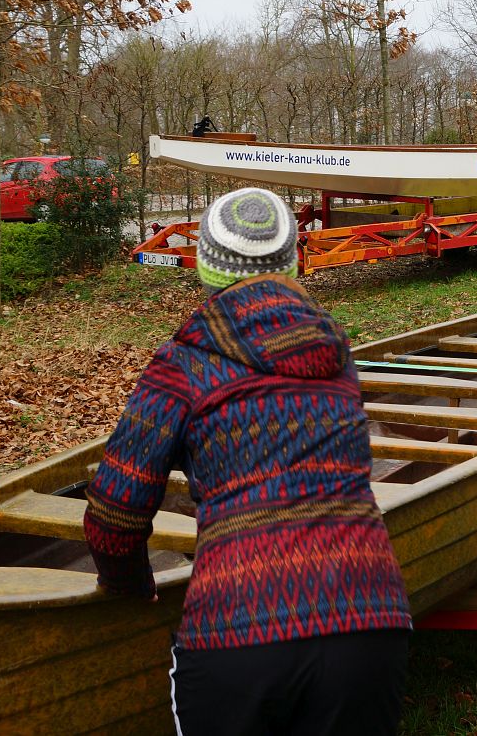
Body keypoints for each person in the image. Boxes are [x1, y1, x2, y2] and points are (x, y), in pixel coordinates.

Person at [83, 187, 412, 735]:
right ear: (292, 263)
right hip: (369, 618)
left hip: (238, 631)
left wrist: (129, 584)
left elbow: (116, 510)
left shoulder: (183, 363)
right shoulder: (334, 352)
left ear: (206, 266)